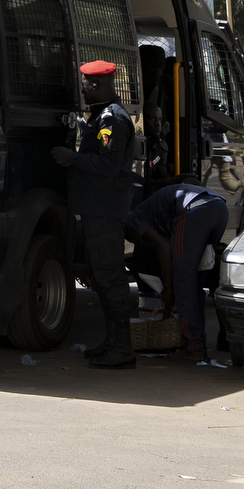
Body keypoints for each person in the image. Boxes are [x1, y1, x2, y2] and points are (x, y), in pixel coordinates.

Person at [54, 58, 142, 370]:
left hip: (104, 211)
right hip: (99, 210)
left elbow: (109, 165)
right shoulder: (104, 116)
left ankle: (121, 349)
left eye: (85, 87)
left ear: (96, 85)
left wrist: (72, 159)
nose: (83, 92)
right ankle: (114, 343)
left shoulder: (112, 119)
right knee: (104, 277)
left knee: (110, 278)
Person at [131, 182, 231, 366]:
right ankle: (198, 344)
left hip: (195, 211)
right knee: (196, 284)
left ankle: (193, 350)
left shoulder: (133, 221)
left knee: (183, 286)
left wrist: (168, 288)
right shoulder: (155, 211)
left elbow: (163, 247)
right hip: (220, 207)